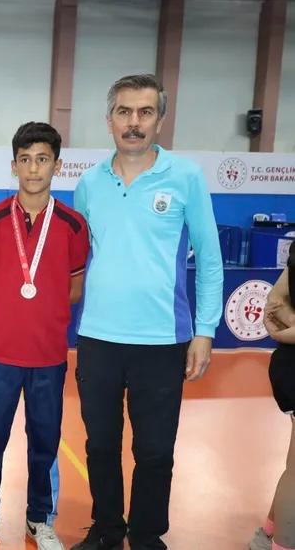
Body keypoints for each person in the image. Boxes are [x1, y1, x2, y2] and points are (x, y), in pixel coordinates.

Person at [71, 74, 224, 550]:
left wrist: (204, 331)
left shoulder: (186, 178)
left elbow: (210, 259)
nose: (133, 122)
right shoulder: (89, 183)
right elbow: (80, 260)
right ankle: (107, 529)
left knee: (155, 450)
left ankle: (146, 534)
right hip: (98, 337)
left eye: (145, 112)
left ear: (160, 120)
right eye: (124, 112)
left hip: (162, 340)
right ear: (109, 119)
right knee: (100, 445)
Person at [0, 122, 89, 550]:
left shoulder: (73, 224)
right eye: (25, 159)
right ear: (13, 165)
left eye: (42, 159)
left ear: (57, 165)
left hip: (48, 353)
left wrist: (41, 313)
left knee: (45, 440)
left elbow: (74, 289)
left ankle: (40, 519)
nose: (34, 168)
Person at [248, 254, 295, 550]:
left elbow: (275, 304)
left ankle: (267, 533)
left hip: (287, 364)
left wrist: (289, 323)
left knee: (294, 465)